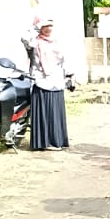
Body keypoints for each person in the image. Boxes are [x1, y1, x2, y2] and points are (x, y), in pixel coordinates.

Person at [27, 17, 72, 151]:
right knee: (44, 112)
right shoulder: (34, 42)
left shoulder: (57, 41)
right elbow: (25, 40)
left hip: (56, 81)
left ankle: (57, 140)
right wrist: (34, 27)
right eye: (45, 25)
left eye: (50, 25)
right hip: (41, 81)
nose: (48, 28)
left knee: (55, 113)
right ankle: (44, 142)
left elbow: (65, 60)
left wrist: (70, 76)